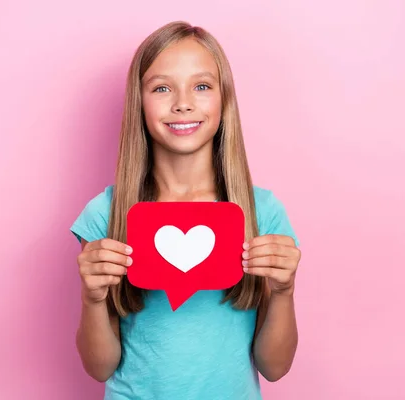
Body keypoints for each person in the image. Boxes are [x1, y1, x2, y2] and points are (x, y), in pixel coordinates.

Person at [70, 20, 302, 400]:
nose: (183, 102)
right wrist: (92, 298)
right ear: (138, 101)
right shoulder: (106, 213)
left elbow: (274, 367)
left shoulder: (262, 212)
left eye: (202, 86)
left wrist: (284, 292)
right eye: (161, 87)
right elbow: (99, 367)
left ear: (224, 99)